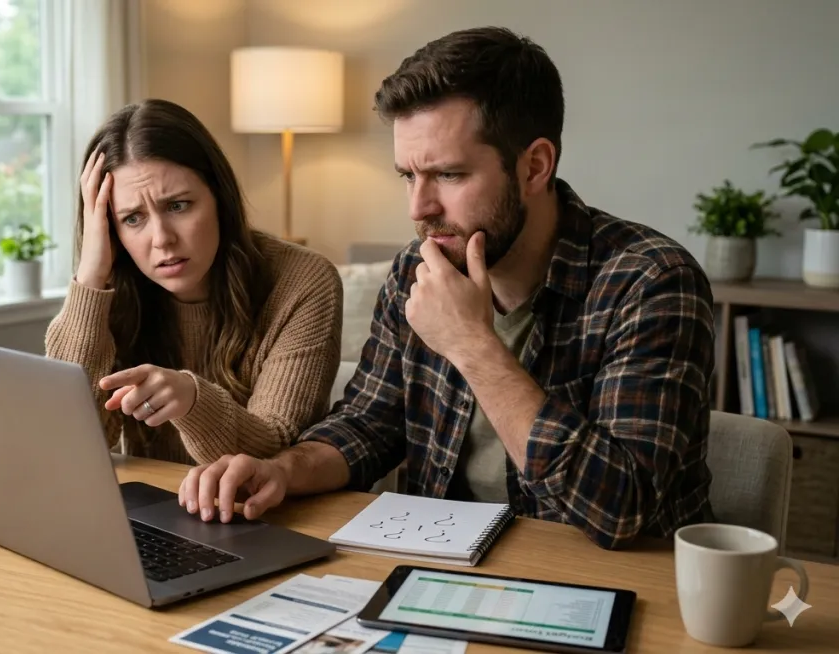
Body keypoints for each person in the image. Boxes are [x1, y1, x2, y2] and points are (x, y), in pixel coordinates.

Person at [177, 27, 716, 550]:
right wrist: (280, 471)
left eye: (450, 175)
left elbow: (622, 508)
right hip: (440, 570)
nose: (419, 208)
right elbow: (368, 424)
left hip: (615, 590)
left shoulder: (651, 282)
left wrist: (471, 344)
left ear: (534, 166)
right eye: (408, 176)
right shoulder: (420, 266)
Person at [45, 98, 343, 466]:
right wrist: (90, 276)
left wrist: (192, 399)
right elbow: (64, 440)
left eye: (178, 206)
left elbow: (276, 449)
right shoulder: (112, 289)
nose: (162, 239)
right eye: (133, 218)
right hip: (150, 510)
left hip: (264, 516)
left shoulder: (303, 280)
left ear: (219, 196)